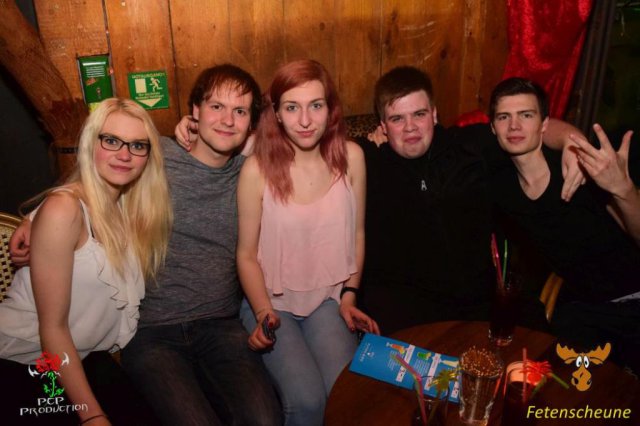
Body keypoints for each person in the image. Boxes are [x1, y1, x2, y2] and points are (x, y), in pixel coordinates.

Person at [10, 66, 282, 426]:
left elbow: (297, 148)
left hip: (219, 324)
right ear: (195, 111)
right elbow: (93, 175)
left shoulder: (247, 173)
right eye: (216, 106)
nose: (228, 120)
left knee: (266, 419)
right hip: (151, 331)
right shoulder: (156, 155)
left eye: (240, 111)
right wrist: (37, 216)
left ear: (251, 124)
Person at [359, 66, 584, 333]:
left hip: (479, 301)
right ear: (383, 126)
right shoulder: (368, 161)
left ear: (434, 114)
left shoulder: (469, 146)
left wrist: (571, 141)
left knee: (540, 341)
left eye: (419, 114)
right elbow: (325, 151)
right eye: (397, 119)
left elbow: (532, 130)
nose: (410, 128)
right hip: (407, 308)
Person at [0, 97, 173, 425]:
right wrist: (91, 416)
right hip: (28, 360)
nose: (125, 154)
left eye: (138, 145)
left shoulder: (127, 206)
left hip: (86, 357)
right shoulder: (63, 211)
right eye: (111, 140)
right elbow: (52, 329)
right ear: (90, 143)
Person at [235, 59, 379, 426]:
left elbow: (357, 234)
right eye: (291, 107)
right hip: (271, 303)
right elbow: (246, 255)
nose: (304, 120)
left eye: (315, 105)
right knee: (307, 401)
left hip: (327, 300)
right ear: (277, 114)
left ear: (330, 109)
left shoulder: (352, 158)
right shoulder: (256, 169)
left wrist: (349, 296)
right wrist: (263, 311)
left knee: (344, 393)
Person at [488, 77, 640, 372]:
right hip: (584, 313)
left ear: (544, 124)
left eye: (526, 115)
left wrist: (624, 190)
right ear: (493, 128)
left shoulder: (580, 170)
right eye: (504, 117)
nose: (514, 126)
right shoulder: (501, 185)